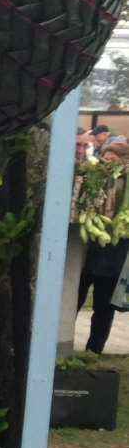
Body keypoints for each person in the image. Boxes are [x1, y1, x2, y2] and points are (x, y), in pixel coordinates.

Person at [79, 140, 129, 353]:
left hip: (114, 256)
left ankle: (94, 349)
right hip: (90, 252)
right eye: (104, 159)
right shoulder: (95, 180)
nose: (106, 164)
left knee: (103, 306)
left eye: (111, 161)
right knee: (75, 298)